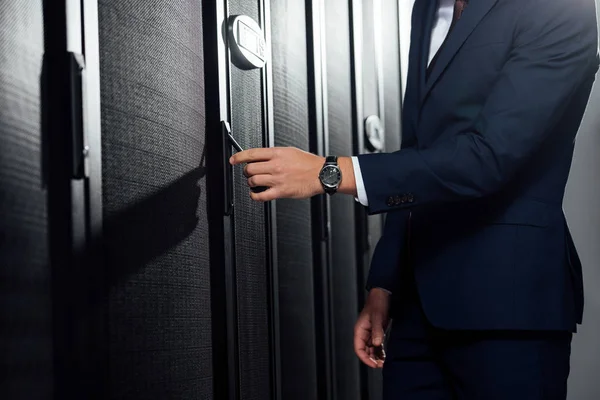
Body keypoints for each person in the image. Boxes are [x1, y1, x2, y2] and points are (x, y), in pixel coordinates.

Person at [230, 0, 599, 398]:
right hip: (415, 313)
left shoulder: (561, 8)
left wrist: (330, 172)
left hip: (508, 308)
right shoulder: (426, 8)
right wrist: (384, 286)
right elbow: (417, 151)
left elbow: (490, 157)